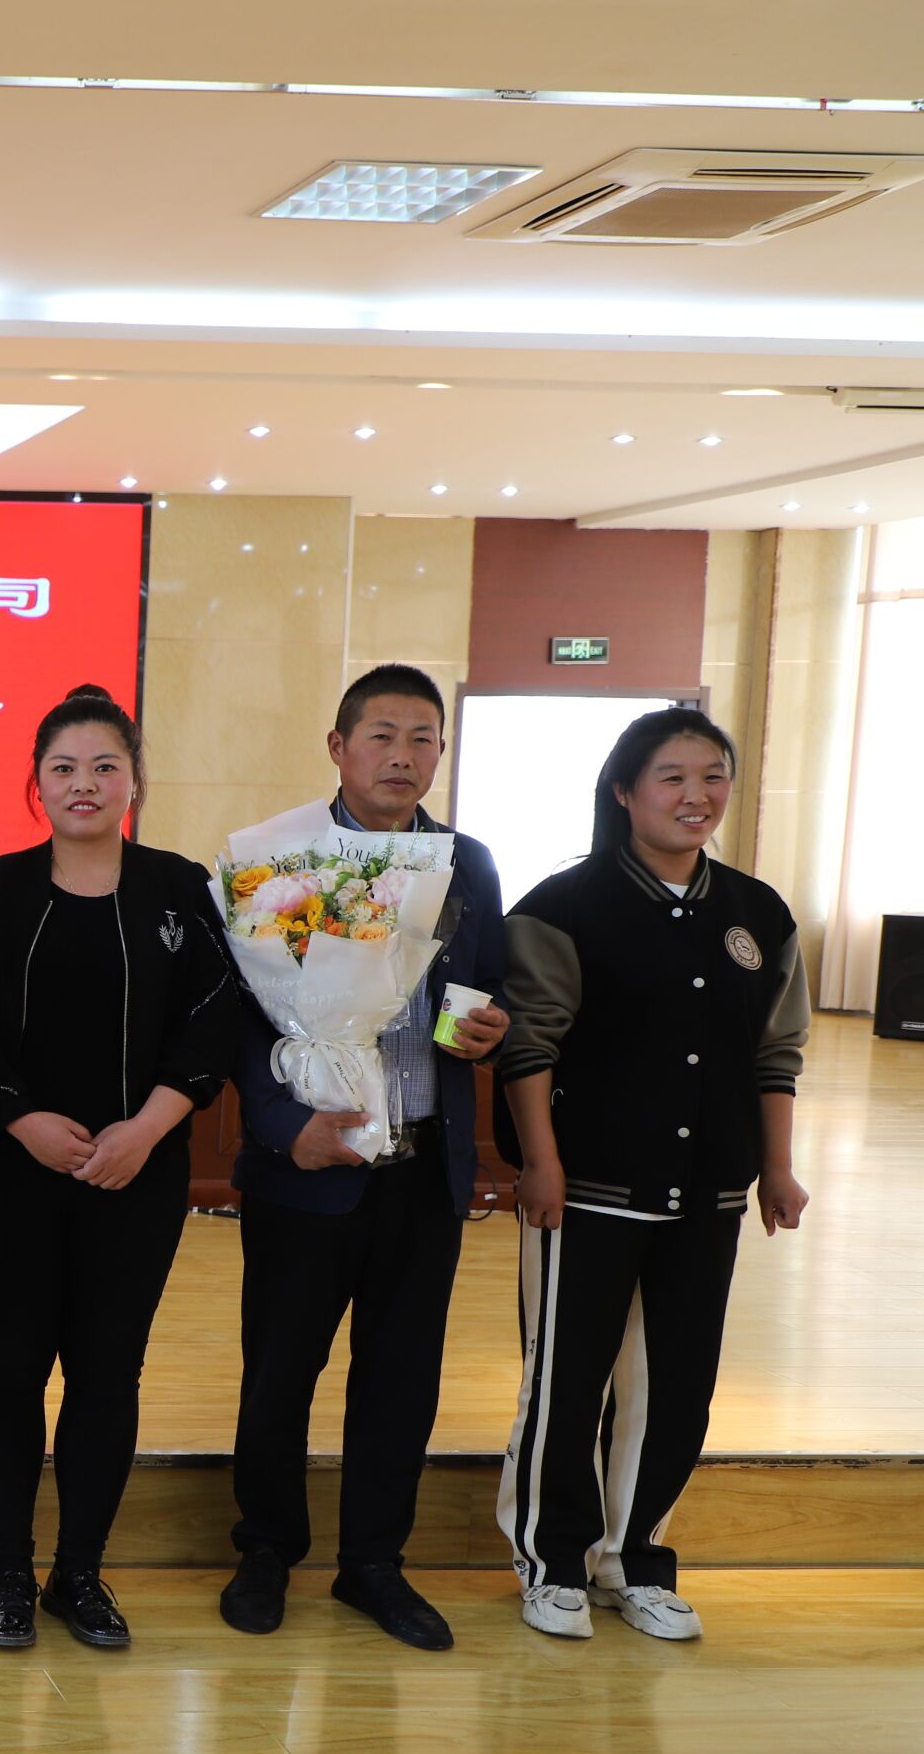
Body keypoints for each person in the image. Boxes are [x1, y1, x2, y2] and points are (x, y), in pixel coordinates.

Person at [496, 709, 808, 1642]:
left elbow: (776, 1051)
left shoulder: (759, 913)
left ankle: (633, 1561)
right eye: (672, 777)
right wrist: (541, 1162)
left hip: (711, 1191)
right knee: (567, 1381)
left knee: (676, 1385)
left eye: (713, 777)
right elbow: (528, 1044)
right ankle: (552, 1561)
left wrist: (777, 1168)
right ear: (625, 792)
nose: (695, 796)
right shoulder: (564, 906)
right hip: (587, 1189)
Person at [222, 665, 510, 1652]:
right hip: (308, 1165)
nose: (402, 755)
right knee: (280, 1370)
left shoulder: (466, 863)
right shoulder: (277, 859)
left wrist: (481, 1032)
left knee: (401, 1377)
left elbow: (481, 994)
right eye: (382, 735)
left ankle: (374, 1563)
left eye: (423, 738)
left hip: (423, 1167)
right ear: (338, 747)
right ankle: (267, 1548)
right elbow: (242, 1019)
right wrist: (281, 1127)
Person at [0, 684, 238, 1651]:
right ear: (35, 783)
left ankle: (80, 1573)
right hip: (11, 1175)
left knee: (108, 1374)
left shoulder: (179, 889)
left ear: (134, 782)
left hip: (136, 1174)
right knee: (9, 1371)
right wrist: (23, 1118)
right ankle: (8, 1573)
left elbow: (213, 1021)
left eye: (104, 766)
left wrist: (145, 1130)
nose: (84, 783)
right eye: (64, 767)